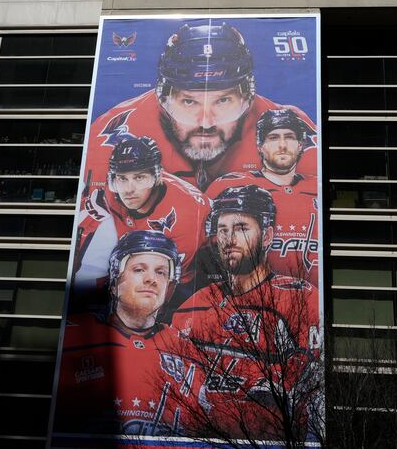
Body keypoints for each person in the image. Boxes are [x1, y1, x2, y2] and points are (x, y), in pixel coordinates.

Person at [88, 22, 316, 190]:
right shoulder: (113, 132)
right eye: (189, 101)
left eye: (223, 100)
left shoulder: (290, 127)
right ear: (164, 97)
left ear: (246, 97)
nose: (206, 122)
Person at [173, 187, 321, 436]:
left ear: (267, 236)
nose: (229, 239)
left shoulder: (299, 298)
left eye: (241, 228)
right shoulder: (193, 305)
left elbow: (306, 388)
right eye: (222, 229)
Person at [55, 231, 198, 438]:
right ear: (114, 283)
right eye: (139, 269)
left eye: (161, 272)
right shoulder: (74, 338)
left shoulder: (187, 350)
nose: (151, 279)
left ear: (169, 287)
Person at [72, 134, 207, 298]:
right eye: (122, 178)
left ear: (157, 177)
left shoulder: (188, 216)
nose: (129, 189)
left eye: (139, 177)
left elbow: (165, 283)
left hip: (182, 282)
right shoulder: (108, 192)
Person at [204, 109, 321, 282]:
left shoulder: (318, 186)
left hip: (313, 299)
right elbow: (207, 249)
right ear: (260, 145)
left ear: (300, 144)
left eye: (289, 137)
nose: (282, 145)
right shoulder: (229, 187)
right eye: (273, 138)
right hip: (250, 295)